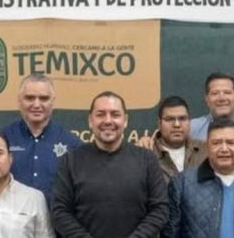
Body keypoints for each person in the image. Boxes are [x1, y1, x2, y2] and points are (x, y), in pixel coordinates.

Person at [52, 91, 168, 238]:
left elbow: (160, 209)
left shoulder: (147, 159)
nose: (108, 121)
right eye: (100, 114)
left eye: (115, 114)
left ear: (125, 120)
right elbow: (60, 212)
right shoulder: (70, 161)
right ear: (90, 121)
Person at [164, 117, 234, 238]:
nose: (224, 149)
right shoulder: (182, 184)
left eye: (231, 143)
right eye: (217, 143)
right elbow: (170, 233)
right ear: (207, 147)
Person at [1, 74, 81, 204]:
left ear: (52, 101)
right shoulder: (2, 139)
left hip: (55, 216)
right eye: (29, 98)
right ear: (19, 101)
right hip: (11, 215)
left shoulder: (72, 143)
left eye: (44, 98)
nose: (36, 105)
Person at [140, 95, 206, 184]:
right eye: (169, 119)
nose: (177, 124)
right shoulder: (146, 153)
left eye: (182, 119)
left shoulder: (206, 150)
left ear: (189, 122)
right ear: (159, 123)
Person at [189, 73, 234, 140]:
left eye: (227, 92)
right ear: (207, 99)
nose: (222, 98)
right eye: (215, 93)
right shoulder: (191, 129)